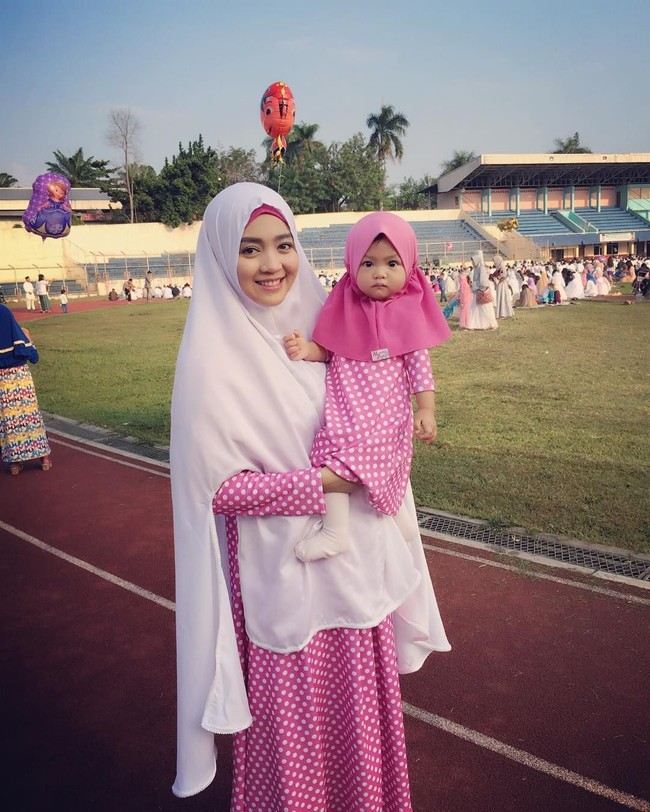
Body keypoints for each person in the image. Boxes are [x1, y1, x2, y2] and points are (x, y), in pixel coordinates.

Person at [170, 183, 450, 808]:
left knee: (360, 741)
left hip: (355, 580)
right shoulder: (212, 364)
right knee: (296, 751)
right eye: (249, 249)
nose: (272, 265)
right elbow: (218, 494)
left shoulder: (327, 322)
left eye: (282, 245)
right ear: (221, 256)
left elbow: (386, 404)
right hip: (287, 582)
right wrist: (326, 483)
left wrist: (397, 442)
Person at [283, 212, 451, 561]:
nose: (379, 273)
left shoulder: (408, 315)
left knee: (362, 465)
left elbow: (421, 371)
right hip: (345, 413)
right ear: (351, 264)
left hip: (385, 420)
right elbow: (329, 348)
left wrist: (426, 409)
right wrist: (307, 350)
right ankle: (353, 530)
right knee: (329, 453)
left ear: (409, 265)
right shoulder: (343, 305)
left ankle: (341, 533)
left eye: (392, 263)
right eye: (368, 263)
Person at [0, 304, 52, 475]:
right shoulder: (7, 315)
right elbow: (34, 357)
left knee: (10, 420)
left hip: (2, 382)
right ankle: (43, 457)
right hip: (21, 378)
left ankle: (15, 461)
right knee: (31, 417)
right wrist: (29, 338)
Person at [467, 250, 498, 330]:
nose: (472, 263)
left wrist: (474, 284)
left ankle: (492, 324)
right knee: (475, 309)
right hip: (477, 292)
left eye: (473, 261)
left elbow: (484, 282)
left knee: (485, 309)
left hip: (482, 292)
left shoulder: (481, 269)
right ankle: (474, 325)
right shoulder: (477, 269)